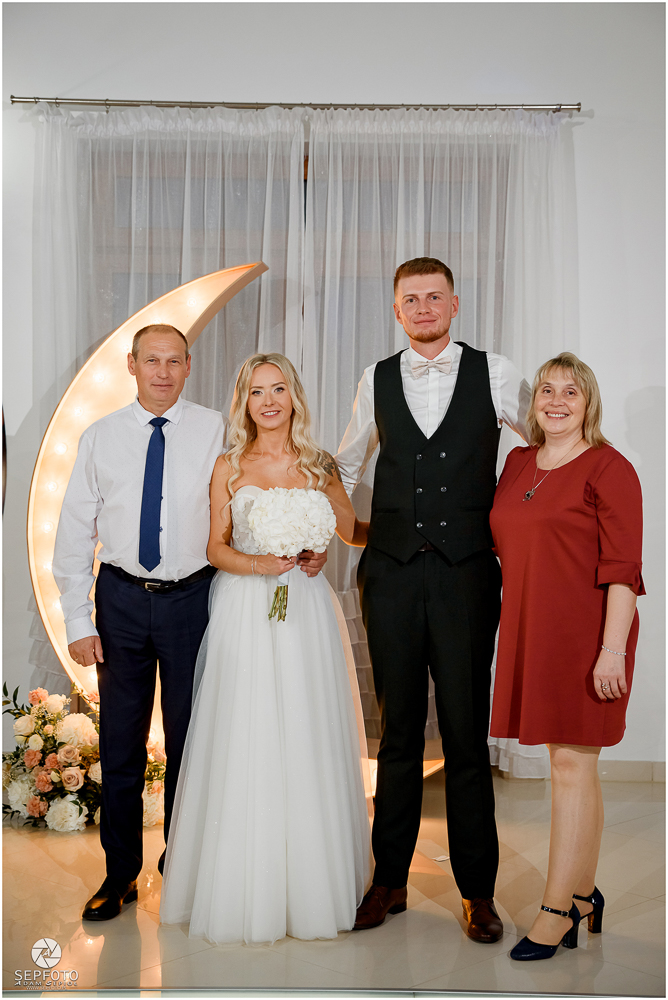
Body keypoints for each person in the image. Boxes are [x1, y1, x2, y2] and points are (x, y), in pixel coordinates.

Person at [53, 326, 326, 922]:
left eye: (173, 361)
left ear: (189, 365)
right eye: (151, 360)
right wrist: (77, 618)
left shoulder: (218, 432)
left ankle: (181, 863)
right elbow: (73, 532)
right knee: (120, 744)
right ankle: (119, 874)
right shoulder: (100, 437)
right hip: (120, 600)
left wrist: (305, 542)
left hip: (194, 601)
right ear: (132, 365)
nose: (162, 372)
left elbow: (260, 490)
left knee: (192, 741)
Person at [335, 257, 530, 941]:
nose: (423, 308)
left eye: (434, 297)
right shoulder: (376, 377)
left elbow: (545, 446)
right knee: (396, 733)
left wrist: (531, 526)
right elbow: (346, 466)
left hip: (466, 575)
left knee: (466, 734)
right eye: (410, 299)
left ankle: (479, 892)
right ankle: (388, 880)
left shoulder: (497, 372)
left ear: (454, 304)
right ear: (397, 311)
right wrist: (339, 533)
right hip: (390, 576)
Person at [159, 352, 371, 945]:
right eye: (257, 392)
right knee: (246, 731)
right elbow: (215, 548)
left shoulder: (319, 464)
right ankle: (240, 881)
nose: (269, 401)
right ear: (244, 402)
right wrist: (259, 564)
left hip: (305, 609)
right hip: (246, 609)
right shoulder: (229, 465)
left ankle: (311, 880)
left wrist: (321, 551)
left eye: (278, 389)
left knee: (304, 729)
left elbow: (351, 530)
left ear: (294, 396)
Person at [489, 352, 644, 961]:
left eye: (571, 392)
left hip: (588, 635)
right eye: (547, 390)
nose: (557, 401)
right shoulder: (518, 462)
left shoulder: (610, 467)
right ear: (533, 403)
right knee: (575, 767)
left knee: (572, 767)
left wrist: (612, 652)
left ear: (588, 404)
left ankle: (556, 911)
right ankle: (582, 895)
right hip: (532, 629)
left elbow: (624, 572)